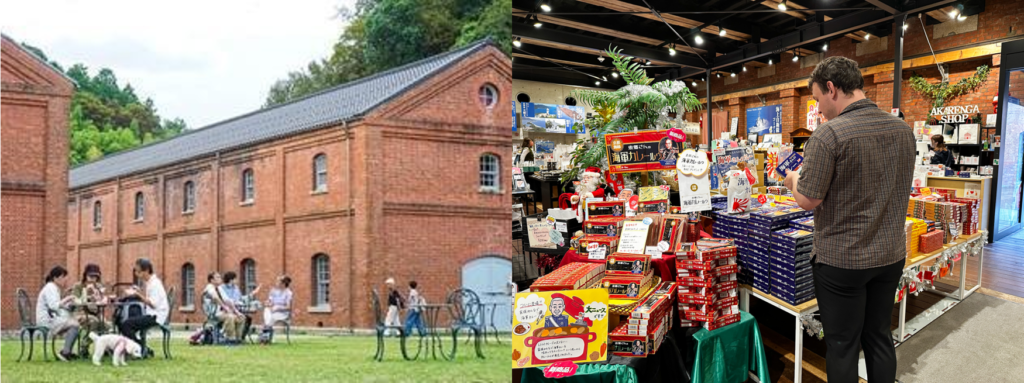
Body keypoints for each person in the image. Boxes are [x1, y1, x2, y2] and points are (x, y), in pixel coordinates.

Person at [784, 56, 915, 383]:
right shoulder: (903, 130)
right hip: (890, 254)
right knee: (879, 336)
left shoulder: (828, 135)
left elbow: (807, 200)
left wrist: (791, 180)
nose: (818, 109)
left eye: (816, 99)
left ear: (831, 88)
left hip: (842, 259)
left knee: (842, 345)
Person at [119, 258, 169, 356]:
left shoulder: (155, 284)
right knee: (126, 320)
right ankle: (141, 348)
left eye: (138, 272)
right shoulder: (150, 282)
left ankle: (140, 348)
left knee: (126, 325)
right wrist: (138, 292)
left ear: (146, 271)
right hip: (151, 313)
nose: (137, 274)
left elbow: (152, 304)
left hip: (156, 316)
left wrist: (137, 294)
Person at [36, 266, 81, 361]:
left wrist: (67, 306)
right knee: (75, 324)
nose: (65, 280)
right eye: (63, 278)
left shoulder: (53, 287)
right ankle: (65, 352)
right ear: (55, 278)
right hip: (47, 321)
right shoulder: (50, 288)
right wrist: (68, 298)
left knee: (76, 321)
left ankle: (67, 351)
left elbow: (56, 306)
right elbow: (53, 306)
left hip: (52, 318)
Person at [71, 264, 110, 349]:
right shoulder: (78, 286)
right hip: (81, 313)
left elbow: (104, 299)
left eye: (95, 276)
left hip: (96, 313)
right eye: (90, 276)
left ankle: (106, 348)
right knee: (95, 322)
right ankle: (84, 346)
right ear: (85, 275)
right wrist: (86, 296)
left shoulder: (99, 287)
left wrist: (99, 298)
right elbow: (74, 300)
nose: (93, 279)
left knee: (107, 325)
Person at [203, 272, 244, 343]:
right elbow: (215, 298)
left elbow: (227, 300)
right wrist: (225, 308)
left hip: (220, 313)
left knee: (241, 317)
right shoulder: (209, 287)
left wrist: (237, 312)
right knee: (230, 317)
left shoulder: (219, 288)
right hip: (212, 314)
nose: (220, 279)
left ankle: (238, 339)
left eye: (220, 277)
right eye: (217, 277)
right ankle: (230, 338)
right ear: (212, 280)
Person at [219, 272, 259, 340]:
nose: (236, 281)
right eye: (235, 279)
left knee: (244, 318)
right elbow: (225, 300)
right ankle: (231, 338)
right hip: (224, 310)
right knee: (231, 317)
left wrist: (252, 294)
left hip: (235, 310)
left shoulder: (236, 288)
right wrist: (233, 303)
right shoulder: (221, 288)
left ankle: (239, 338)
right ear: (231, 280)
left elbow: (241, 299)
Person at [260, 275, 293, 342]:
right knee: (267, 311)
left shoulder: (288, 293)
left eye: (278, 281)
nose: (276, 283)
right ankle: (267, 336)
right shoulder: (273, 291)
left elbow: (288, 307)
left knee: (270, 318)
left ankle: (265, 336)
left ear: (283, 284)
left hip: (282, 313)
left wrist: (277, 308)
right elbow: (269, 301)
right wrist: (267, 303)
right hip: (272, 310)